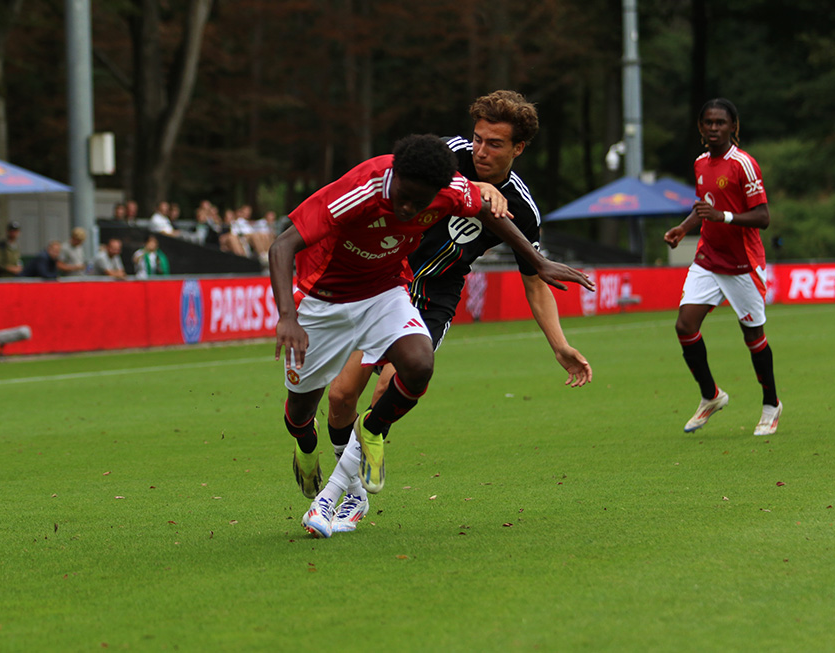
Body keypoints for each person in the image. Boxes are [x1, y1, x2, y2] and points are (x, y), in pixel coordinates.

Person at [270, 134, 591, 539]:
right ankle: (305, 442)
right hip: (324, 299)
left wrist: (537, 262)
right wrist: (287, 317)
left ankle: (368, 438)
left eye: (418, 204)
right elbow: (282, 246)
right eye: (402, 197)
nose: (407, 209)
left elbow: (491, 216)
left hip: (385, 289)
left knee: (419, 364)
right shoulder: (363, 189)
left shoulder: (450, 189)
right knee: (309, 410)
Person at [663, 98, 781, 436]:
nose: (714, 128)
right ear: (701, 128)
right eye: (708, 123)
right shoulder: (701, 163)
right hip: (708, 258)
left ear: (733, 127)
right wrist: (684, 228)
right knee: (685, 326)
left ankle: (771, 405)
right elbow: (706, 207)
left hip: (743, 263)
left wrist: (724, 217)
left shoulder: (744, 164)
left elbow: (763, 217)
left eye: (721, 123)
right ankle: (711, 396)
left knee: (753, 335)